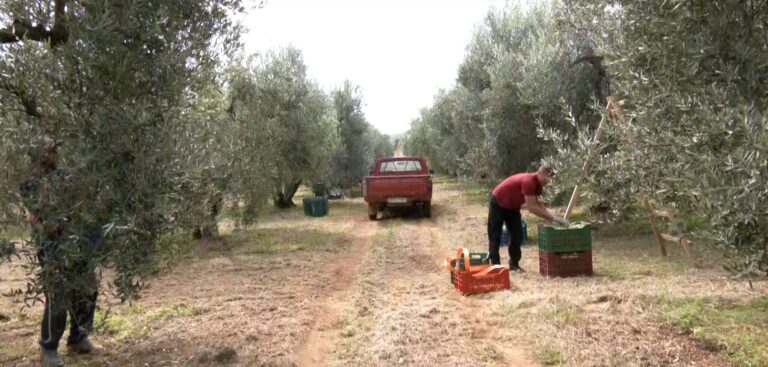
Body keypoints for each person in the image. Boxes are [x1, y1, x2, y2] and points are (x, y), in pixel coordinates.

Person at [20, 136, 100, 367]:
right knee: (58, 295)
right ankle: (49, 347)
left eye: (57, 151)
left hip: (76, 241)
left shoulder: (65, 175)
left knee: (87, 288)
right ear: (41, 155)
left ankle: (78, 337)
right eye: (52, 151)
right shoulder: (30, 182)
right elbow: (34, 215)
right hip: (52, 245)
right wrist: (47, 228)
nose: (57, 155)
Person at [488, 164, 568, 272]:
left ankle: (514, 265)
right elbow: (531, 207)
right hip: (498, 201)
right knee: (495, 234)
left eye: (550, 177)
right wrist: (552, 217)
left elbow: (537, 203)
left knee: (517, 235)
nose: (548, 180)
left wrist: (550, 217)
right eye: (547, 176)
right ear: (539, 173)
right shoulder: (529, 181)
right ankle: (495, 265)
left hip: (512, 207)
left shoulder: (538, 185)